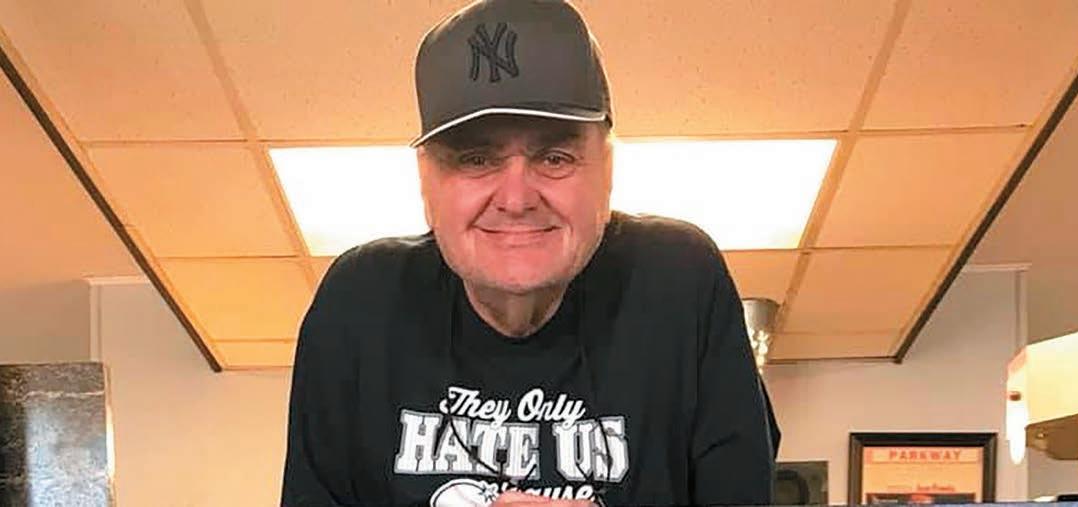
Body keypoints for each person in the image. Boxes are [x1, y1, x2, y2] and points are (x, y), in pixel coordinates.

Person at [281, 0, 780, 505]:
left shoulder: (679, 284)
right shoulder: (361, 305)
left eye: (555, 157)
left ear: (606, 170)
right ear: (425, 182)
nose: (517, 199)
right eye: (476, 159)